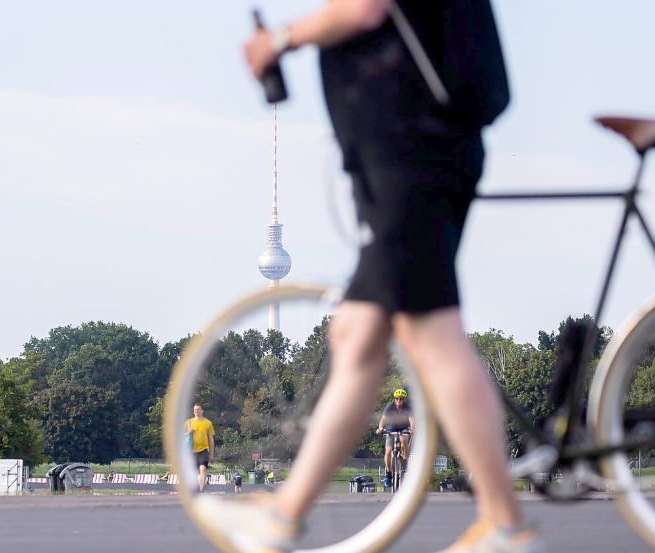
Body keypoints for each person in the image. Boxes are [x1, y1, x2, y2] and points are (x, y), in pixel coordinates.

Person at [214, 1, 539, 551]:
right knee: (358, 335)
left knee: (431, 335)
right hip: (414, 150)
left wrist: (283, 39)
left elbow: (366, 8)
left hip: (411, 153)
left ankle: (506, 524)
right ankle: (285, 514)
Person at [376, 388, 414, 487]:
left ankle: (405, 462)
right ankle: (388, 473)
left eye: (401, 399)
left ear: (404, 399)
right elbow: (383, 419)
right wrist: (380, 428)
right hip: (391, 430)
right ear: (394, 399)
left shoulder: (408, 408)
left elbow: (411, 419)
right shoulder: (390, 407)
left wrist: (412, 428)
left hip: (403, 429)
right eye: (397, 398)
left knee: (403, 440)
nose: (398, 401)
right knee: (388, 451)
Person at [184, 403, 216, 492]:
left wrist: (211, 455)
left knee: (203, 468)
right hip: (191, 451)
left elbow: (211, 440)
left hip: (203, 450)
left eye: (198, 409)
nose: (196, 411)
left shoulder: (208, 423)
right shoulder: (188, 422)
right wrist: (188, 432)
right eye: (195, 410)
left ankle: (201, 490)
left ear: (202, 411)